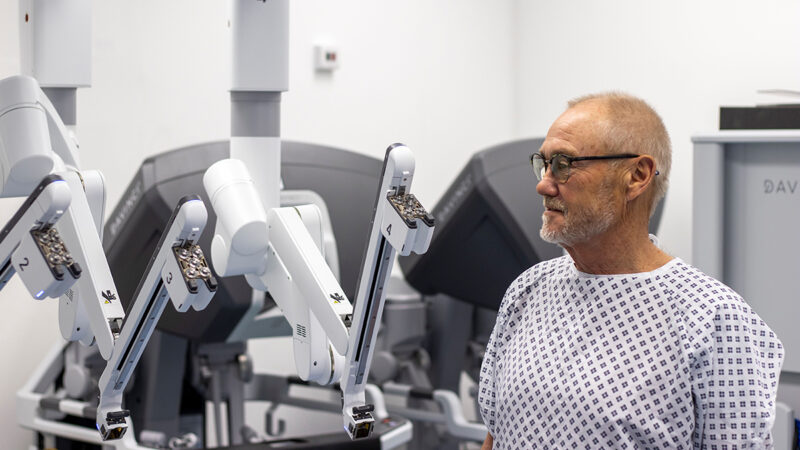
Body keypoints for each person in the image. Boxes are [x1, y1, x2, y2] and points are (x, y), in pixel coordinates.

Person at [478, 92, 784, 449]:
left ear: (637, 176)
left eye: (563, 164)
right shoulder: (527, 291)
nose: (543, 184)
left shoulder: (712, 318)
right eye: (543, 164)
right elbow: (496, 434)